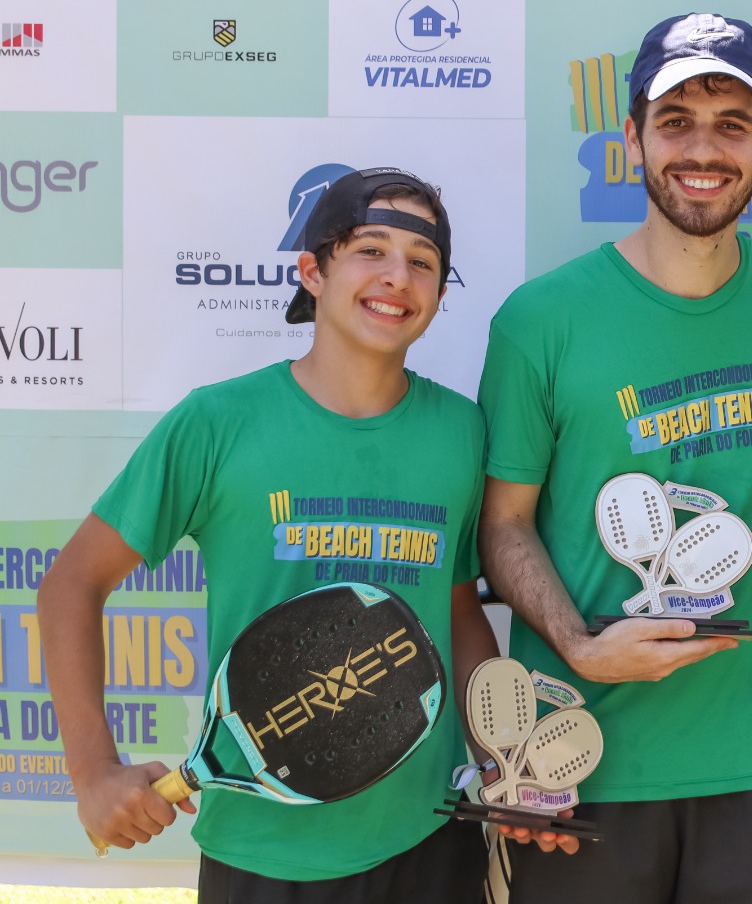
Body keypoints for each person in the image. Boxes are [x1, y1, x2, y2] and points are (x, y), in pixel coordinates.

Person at [37, 167, 504, 902]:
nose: (397, 277)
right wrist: (91, 771)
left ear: (440, 299)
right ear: (312, 271)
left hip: (430, 839)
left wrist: (502, 762)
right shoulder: (218, 423)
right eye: (371, 250)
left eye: (422, 263)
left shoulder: (461, 432)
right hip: (260, 850)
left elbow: (454, 611)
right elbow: (72, 582)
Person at [475, 12, 752, 902]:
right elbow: (503, 525)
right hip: (572, 766)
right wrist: (578, 644)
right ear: (631, 136)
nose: (702, 149)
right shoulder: (541, 320)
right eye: (675, 120)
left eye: (732, 125)